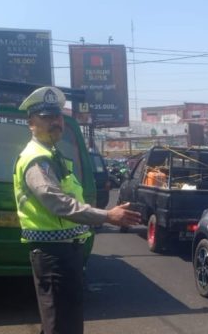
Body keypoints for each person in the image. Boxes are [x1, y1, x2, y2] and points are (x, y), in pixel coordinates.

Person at [13, 86, 140, 334]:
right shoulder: (36, 159)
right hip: (53, 255)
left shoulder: (51, 153)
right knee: (61, 325)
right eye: (47, 117)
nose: (55, 122)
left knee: (62, 321)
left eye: (57, 117)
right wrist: (107, 216)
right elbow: (58, 203)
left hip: (64, 252)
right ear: (31, 123)